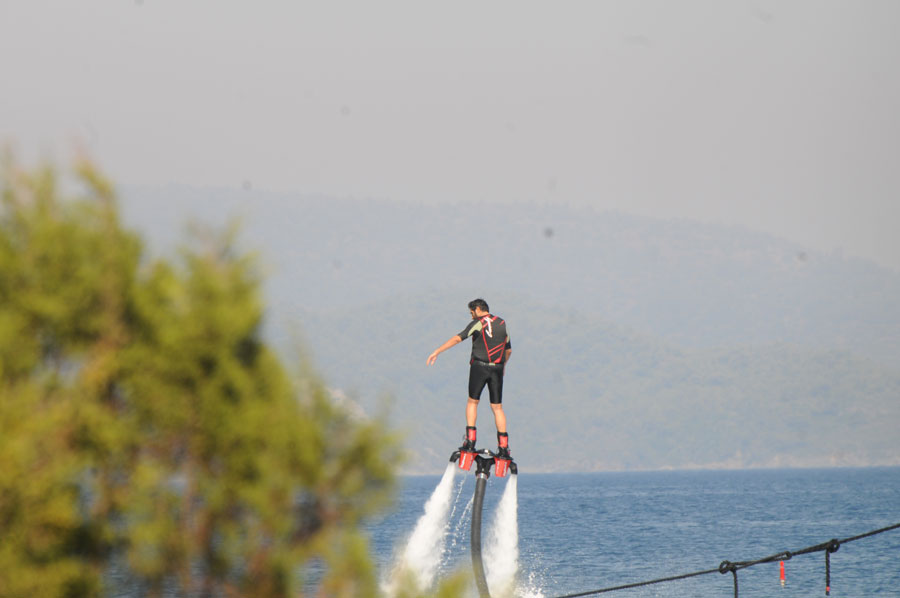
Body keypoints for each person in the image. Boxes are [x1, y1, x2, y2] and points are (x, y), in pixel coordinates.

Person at [427, 298, 512, 458]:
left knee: (473, 402)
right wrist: (503, 366)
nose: (471, 316)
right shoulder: (502, 323)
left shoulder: (478, 322)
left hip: (479, 367)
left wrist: (437, 351)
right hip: (498, 368)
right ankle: (504, 447)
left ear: (478, 309)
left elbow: (458, 338)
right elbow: (508, 350)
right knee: (497, 407)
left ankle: (470, 440)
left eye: (472, 313)